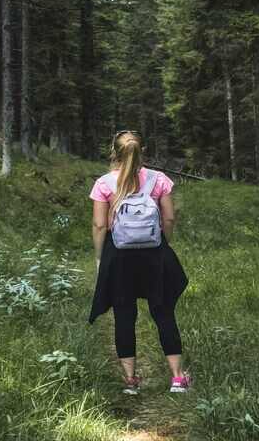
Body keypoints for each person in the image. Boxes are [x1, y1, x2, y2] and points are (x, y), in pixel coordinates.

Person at [88, 130, 190, 394]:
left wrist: (100, 257)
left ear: (114, 152)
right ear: (141, 150)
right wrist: (163, 243)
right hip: (154, 253)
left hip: (119, 255)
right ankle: (178, 378)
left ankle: (131, 381)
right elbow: (168, 219)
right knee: (163, 312)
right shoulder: (159, 180)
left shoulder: (104, 183)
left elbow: (100, 225)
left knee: (124, 314)